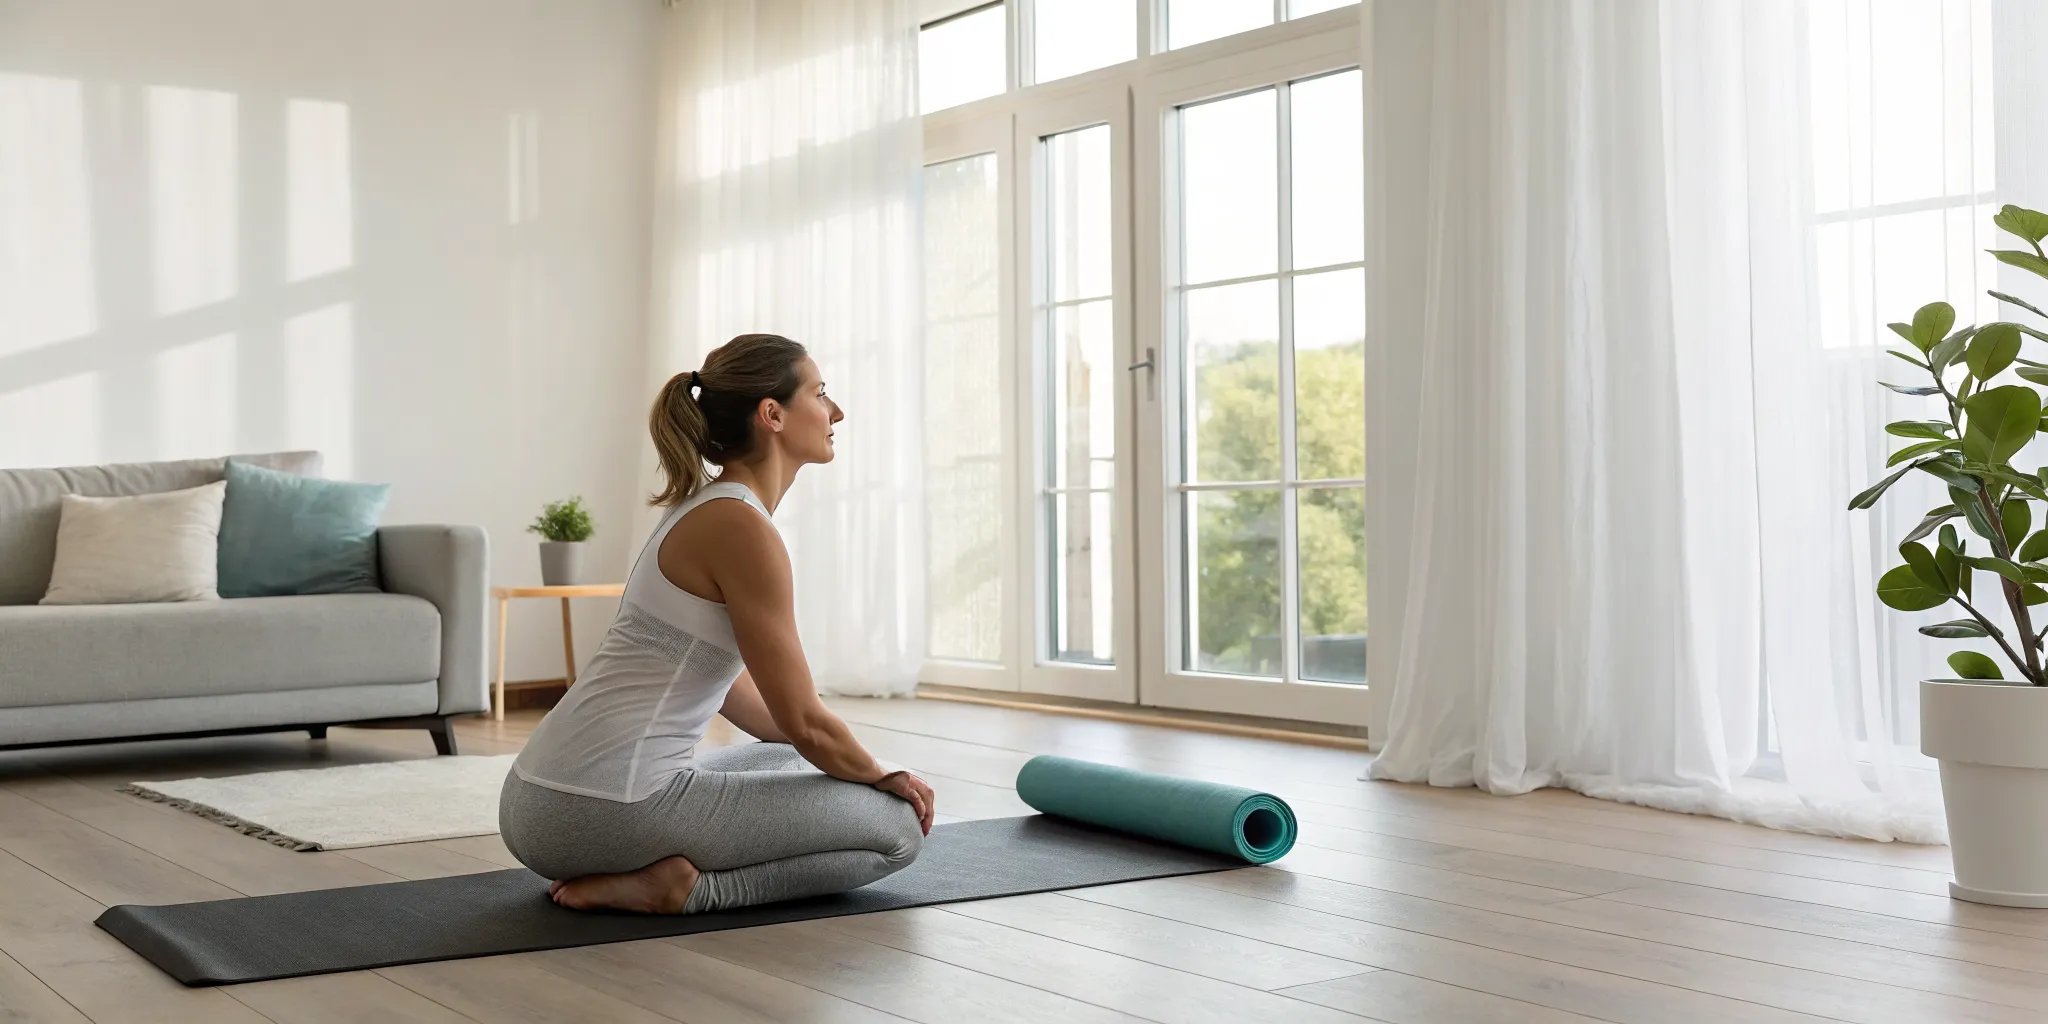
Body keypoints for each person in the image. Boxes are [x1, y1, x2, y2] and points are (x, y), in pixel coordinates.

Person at [498, 333, 935, 914]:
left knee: (796, 760)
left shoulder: (707, 507)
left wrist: (847, 767)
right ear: (772, 414)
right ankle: (683, 891)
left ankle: (656, 869)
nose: (837, 411)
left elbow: (738, 692)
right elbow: (804, 717)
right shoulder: (742, 528)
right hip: (601, 808)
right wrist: (884, 774)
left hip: (543, 798)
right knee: (897, 830)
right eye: (821, 392)